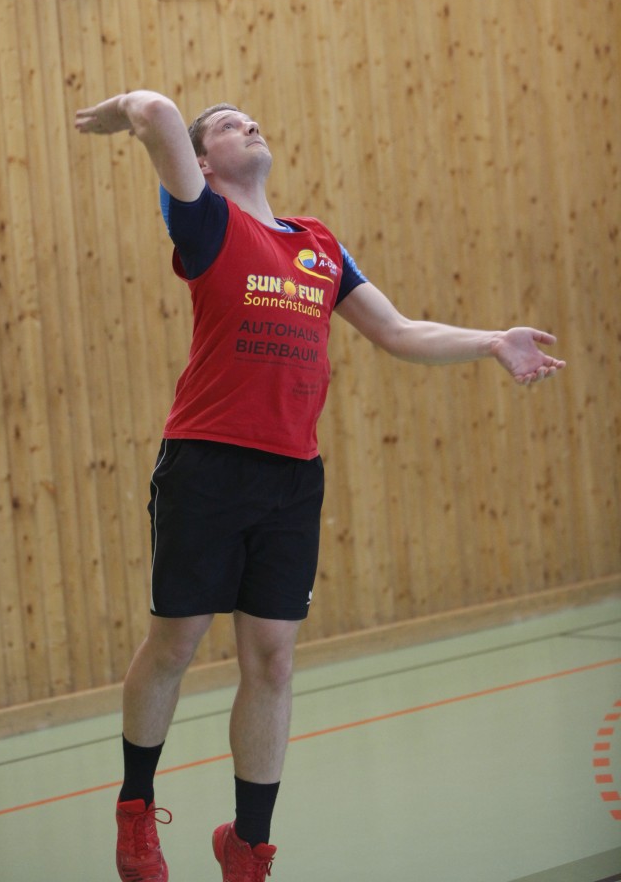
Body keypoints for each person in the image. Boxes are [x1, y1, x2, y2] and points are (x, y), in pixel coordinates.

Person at [74, 90, 565, 882]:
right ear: (202, 163)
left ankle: (248, 847)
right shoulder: (204, 222)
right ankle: (136, 809)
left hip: (293, 476)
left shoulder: (318, 245)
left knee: (272, 661)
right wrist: (121, 114)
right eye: (226, 124)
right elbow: (159, 112)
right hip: (207, 465)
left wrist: (490, 342)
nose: (247, 123)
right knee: (176, 642)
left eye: (249, 117)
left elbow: (398, 331)